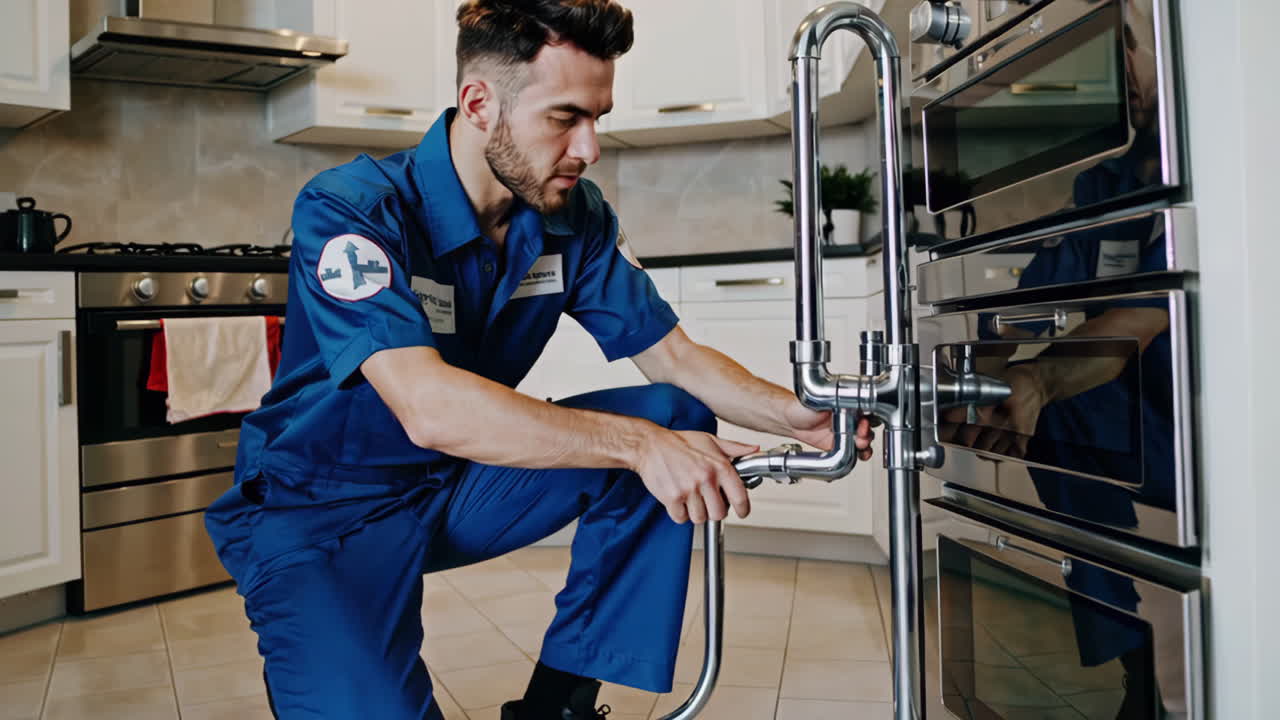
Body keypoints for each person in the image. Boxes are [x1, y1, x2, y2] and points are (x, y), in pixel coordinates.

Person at [203, 1, 875, 718]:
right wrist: (638, 444)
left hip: (456, 488)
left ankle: (557, 705)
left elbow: (673, 358)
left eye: (598, 117)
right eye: (564, 118)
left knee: (674, 415)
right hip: (323, 508)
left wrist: (798, 415)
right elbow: (428, 407)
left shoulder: (571, 217)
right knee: (650, 439)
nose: (589, 148)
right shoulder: (355, 208)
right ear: (479, 103)